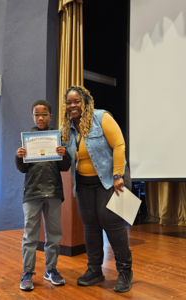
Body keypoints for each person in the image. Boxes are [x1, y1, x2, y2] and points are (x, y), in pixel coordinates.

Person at [61, 86, 133, 293]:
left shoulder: (101, 117)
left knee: (112, 223)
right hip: (83, 184)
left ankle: (125, 271)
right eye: (69, 102)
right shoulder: (66, 129)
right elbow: (65, 160)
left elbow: (119, 144)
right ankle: (94, 270)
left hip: (109, 182)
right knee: (90, 226)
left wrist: (118, 174)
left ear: (85, 101)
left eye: (76, 101)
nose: (72, 105)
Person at [16, 100, 71, 291]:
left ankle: (51, 270)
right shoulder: (26, 139)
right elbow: (23, 168)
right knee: (30, 236)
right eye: (37, 114)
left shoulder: (57, 138)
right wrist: (19, 156)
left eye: (44, 114)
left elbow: (65, 167)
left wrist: (64, 154)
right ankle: (27, 273)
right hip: (32, 193)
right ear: (32, 116)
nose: (40, 118)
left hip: (54, 192)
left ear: (50, 116)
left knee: (54, 235)